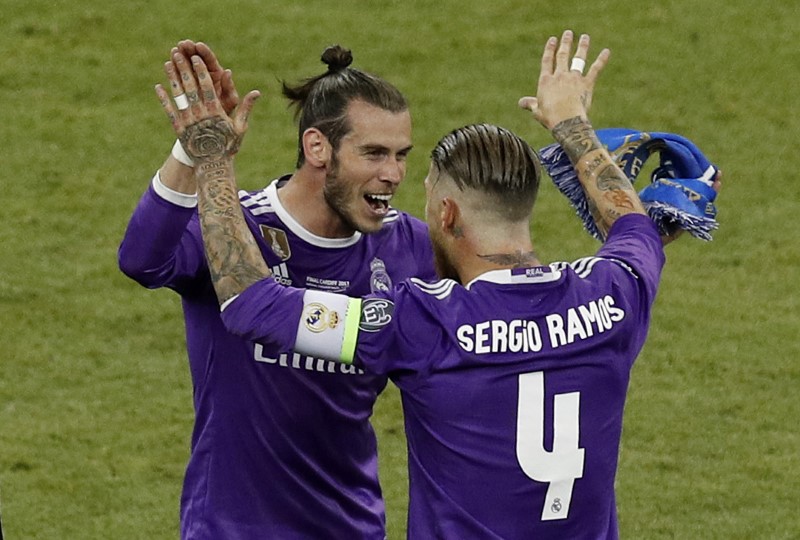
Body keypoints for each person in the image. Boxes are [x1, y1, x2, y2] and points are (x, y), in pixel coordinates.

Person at [172, 30, 673, 538]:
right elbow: (632, 226)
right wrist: (572, 125)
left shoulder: (419, 321)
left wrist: (213, 158)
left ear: (448, 212)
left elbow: (251, 304)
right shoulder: (616, 292)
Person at [118, 41, 436, 539]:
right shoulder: (234, 232)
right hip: (229, 529)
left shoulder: (412, 247)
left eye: (400, 155)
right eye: (374, 153)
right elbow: (142, 260)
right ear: (317, 148)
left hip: (350, 528)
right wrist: (192, 151)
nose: (393, 174)